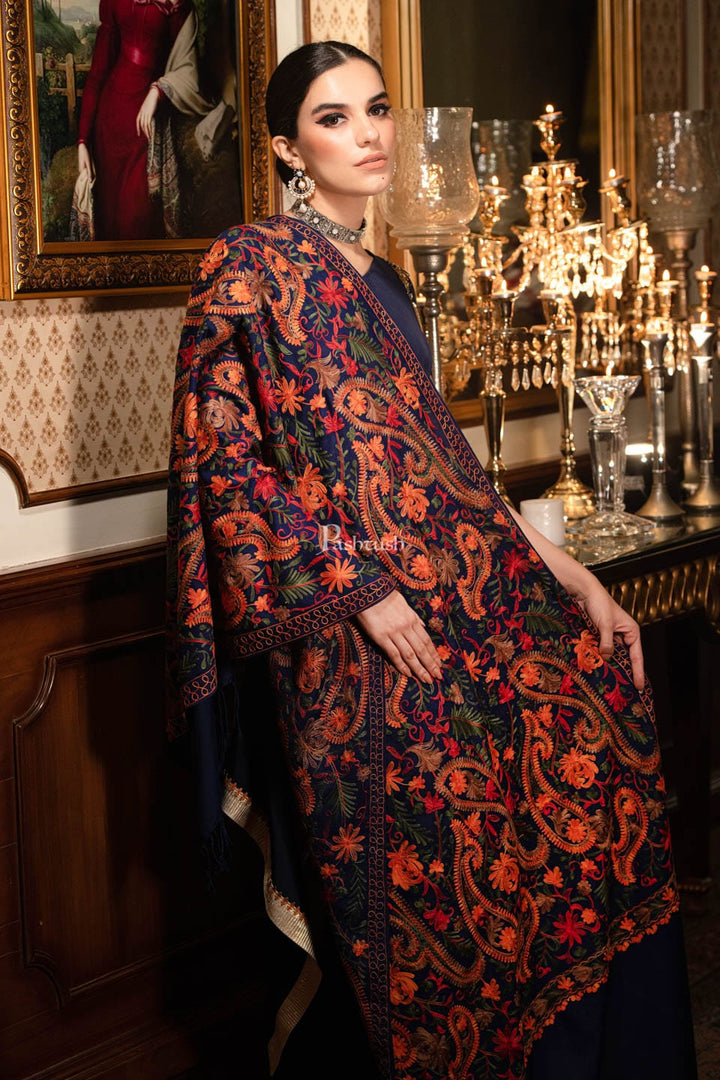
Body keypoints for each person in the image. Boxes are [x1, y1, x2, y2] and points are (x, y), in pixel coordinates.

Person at [165, 40, 697, 1080]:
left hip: (469, 593)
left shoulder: (394, 285)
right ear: (287, 148)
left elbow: (453, 473)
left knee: (605, 748)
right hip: (354, 627)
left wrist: (577, 577)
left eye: (377, 109)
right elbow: (225, 466)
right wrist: (361, 593)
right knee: (449, 849)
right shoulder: (250, 264)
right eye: (333, 118)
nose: (368, 134)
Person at [77, 0, 213, 240]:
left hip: (147, 126)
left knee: (137, 221)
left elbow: (188, 69)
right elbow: (98, 72)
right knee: (110, 222)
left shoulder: (178, 5)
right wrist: (82, 141)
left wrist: (157, 91)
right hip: (109, 123)